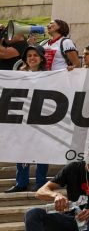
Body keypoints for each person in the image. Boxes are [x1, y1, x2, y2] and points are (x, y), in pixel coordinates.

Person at [8, 46, 49, 193]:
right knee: (22, 149)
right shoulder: (18, 75)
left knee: (42, 150)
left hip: (42, 118)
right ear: (25, 59)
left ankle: (41, 182)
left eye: (35, 55)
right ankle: (21, 183)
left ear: (42, 58)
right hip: (23, 118)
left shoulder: (51, 76)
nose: (32, 58)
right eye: (29, 55)